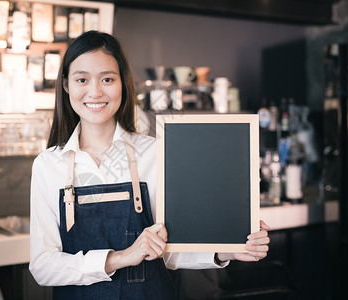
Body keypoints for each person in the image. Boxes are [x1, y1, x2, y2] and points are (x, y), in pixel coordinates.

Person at [29, 30, 270, 299]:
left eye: (107, 79)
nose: (95, 92)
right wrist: (120, 258)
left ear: (123, 84)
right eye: (82, 79)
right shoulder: (48, 165)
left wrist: (228, 249)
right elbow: (43, 266)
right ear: (66, 86)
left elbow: (170, 250)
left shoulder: (154, 152)